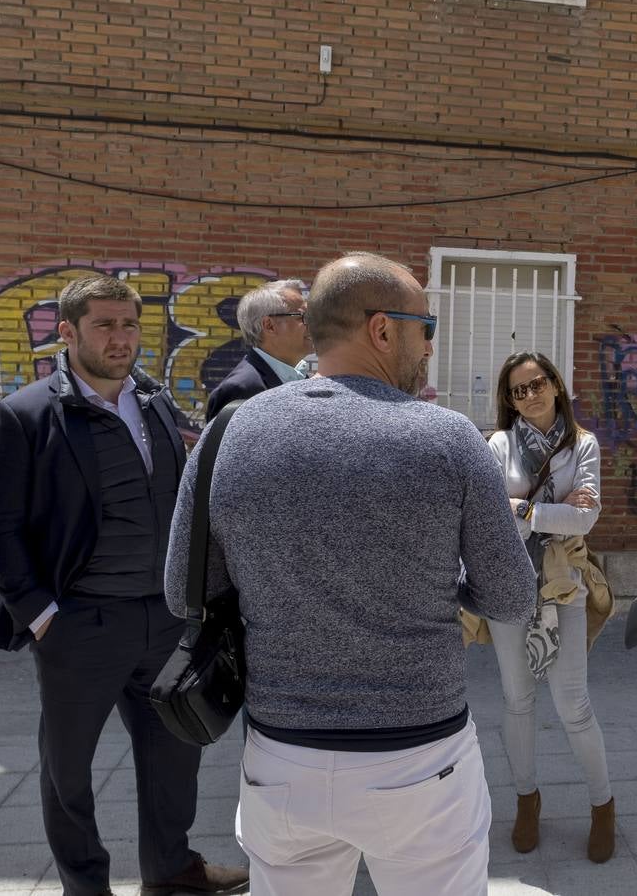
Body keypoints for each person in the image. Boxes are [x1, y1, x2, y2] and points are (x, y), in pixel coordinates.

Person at [164, 252, 537, 896]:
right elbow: (509, 596)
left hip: (282, 756)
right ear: (382, 330)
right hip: (420, 760)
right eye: (427, 326)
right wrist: (433, 581)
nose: (429, 344)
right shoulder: (447, 438)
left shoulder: (230, 431)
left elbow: (183, 591)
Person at [0, 274, 248, 896]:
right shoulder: (22, 417)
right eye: (105, 324)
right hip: (80, 627)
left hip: (167, 621)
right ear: (67, 331)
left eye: (130, 324)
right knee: (67, 770)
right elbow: (0, 530)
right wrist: (41, 614)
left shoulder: (153, 403)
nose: (121, 337)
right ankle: (85, 885)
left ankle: (171, 871)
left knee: (175, 757)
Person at [473, 352, 615, 861]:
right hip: (508, 589)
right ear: (509, 401)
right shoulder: (497, 445)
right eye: (518, 390)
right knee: (517, 700)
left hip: (562, 588)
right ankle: (527, 799)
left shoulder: (584, 445)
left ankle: (603, 805)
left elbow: (587, 519)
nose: (530, 395)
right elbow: (489, 518)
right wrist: (552, 513)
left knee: (573, 704)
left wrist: (525, 511)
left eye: (537, 384)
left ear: (556, 385)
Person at [205, 278, 312, 421]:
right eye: (302, 316)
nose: (313, 323)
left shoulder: (301, 377)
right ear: (269, 325)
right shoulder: (240, 389)